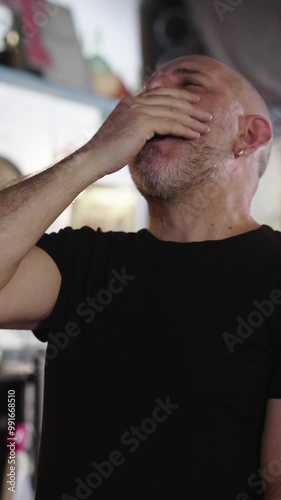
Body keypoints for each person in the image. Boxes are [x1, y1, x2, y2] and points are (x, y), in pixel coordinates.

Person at [0, 53, 279, 500]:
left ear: (249, 134)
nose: (153, 101)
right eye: (147, 91)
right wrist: (92, 157)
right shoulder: (82, 260)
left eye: (187, 84)